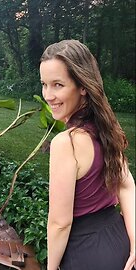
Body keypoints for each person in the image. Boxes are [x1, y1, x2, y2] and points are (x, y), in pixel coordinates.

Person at [40, 39, 135, 270]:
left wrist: (51, 268)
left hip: (85, 253)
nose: (48, 95)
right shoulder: (106, 129)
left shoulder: (66, 143)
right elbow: (126, 185)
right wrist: (134, 241)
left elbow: (60, 223)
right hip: (119, 242)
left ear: (82, 86)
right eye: (44, 84)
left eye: (58, 85)